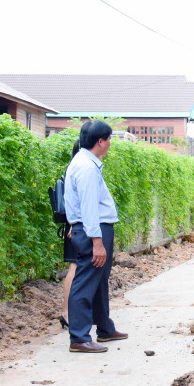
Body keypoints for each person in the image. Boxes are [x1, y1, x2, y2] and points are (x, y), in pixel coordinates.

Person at [63, 120, 126, 353]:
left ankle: (105, 329)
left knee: (99, 281)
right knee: (85, 283)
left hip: (92, 228)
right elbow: (88, 207)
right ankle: (79, 337)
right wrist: (96, 242)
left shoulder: (85, 162)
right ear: (100, 141)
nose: (110, 143)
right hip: (94, 231)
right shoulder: (87, 167)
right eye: (109, 139)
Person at [58, 139, 82, 329]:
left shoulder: (73, 168)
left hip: (74, 224)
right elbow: (73, 201)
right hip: (75, 226)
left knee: (76, 268)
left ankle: (70, 312)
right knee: (74, 268)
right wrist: (74, 224)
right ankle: (66, 313)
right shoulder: (78, 169)